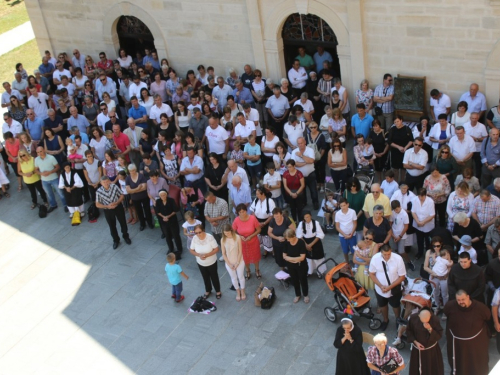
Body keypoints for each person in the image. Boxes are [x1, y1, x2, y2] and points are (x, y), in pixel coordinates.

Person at [444, 290, 490, 375]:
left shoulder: (480, 307)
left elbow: (487, 316)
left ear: (468, 297)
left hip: (475, 344)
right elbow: (447, 314)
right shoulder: (450, 306)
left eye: (463, 299)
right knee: (460, 361)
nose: (461, 302)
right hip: (457, 344)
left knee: (475, 361)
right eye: (458, 300)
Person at [369, 245, 406, 331]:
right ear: (381, 252)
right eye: (384, 254)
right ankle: (385, 320)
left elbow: (402, 277)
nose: (387, 256)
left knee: (396, 305)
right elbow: (371, 273)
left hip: (394, 288)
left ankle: (397, 320)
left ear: (391, 251)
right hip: (380, 289)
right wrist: (381, 286)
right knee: (382, 305)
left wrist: (389, 287)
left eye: (388, 254)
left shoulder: (398, 259)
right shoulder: (375, 258)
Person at [95, 176, 132, 249]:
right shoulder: (98, 191)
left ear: (109, 181)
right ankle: (116, 240)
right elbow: (97, 204)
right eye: (103, 182)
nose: (105, 183)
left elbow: (122, 195)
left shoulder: (114, 186)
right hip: (108, 210)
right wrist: (107, 206)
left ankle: (126, 236)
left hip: (118, 207)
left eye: (106, 181)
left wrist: (117, 202)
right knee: (112, 226)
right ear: (101, 183)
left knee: (123, 222)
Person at [406, 309, 444, 375]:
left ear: (430, 316)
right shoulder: (413, 318)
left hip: (431, 350)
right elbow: (409, 331)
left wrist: (430, 329)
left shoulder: (435, 320)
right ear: (419, 316)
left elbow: (439, 335)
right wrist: (415, 342)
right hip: (417, 350)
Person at [189, 224, 221, 299]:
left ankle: (218, 291)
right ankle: (208, 290)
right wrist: (198, 255)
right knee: (205, 277)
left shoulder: (209, 237)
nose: (198, 234)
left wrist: (207, 255)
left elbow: (216, 249)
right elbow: (191, 250)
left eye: (199, 232)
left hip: (211, 262)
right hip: (200, 262)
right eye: (196, 233)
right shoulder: (194, 238)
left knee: (214, 276)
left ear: (203, 230)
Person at [232, 203, 262, 280]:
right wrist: (240, 236)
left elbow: (259, 230)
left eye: (243, 211)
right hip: (242, 243)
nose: (242, 213)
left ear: (246, 211)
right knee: (245, 258)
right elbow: (233, 231)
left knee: (255, 257)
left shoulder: (252, 218)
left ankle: (257, 270)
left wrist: (250, 236)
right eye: (240, 212)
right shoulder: (236, 220)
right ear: (238, 213)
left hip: (253, 241)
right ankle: (248, 271)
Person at [34, 146, 67, 213]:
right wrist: (41, 173)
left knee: (60, 193)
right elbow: (36, 170)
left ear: (44, 150)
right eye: (38, 152)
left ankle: (66, 205)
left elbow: (57, 167)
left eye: (40, 151)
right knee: (49, 194)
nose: (39, 153)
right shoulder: (36, 159)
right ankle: (53, 205)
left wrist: (50, 172)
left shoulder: (51, 158)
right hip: (44, 180)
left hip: (54, 178)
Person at [296, 210, 326, 277]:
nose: (307, 219)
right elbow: (299, 235)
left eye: (308, 217)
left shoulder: (316, 223)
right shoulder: (301, 224)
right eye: (305, 217)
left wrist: (311, 244)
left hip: (315, 242)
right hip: (305, 242)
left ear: (311, 216)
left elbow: (320, 235)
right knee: (308, 259)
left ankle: (320, 272)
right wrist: (306, 245)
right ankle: (309, 271)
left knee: (318, 258)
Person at [283, 228, 309, 303]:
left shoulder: (300, 242)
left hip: (301, 266)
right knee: (295, 280)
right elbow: (284, 256)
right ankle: (297, 294)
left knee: (303, 280)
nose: (287, 240)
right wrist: (295, 259)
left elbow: (302, 257)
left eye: (289, 239)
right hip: (291, 266)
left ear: (293, 236)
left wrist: (290, 259)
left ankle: (305, 294)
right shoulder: (286, 243)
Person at [220, 224, 246, 301]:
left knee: (241, 277)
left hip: (239, 261)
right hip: (229, 262)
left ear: (231, 231)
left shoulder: (237, 237)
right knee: (233, 278)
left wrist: (237, 263)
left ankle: (243, 291)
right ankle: (238, 292)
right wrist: (229, 264)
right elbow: (223, 254)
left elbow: (240, 251)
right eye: (225, 233)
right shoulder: (223, 240)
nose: (227, 234)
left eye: (228, 233)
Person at [155, 189, 183, 258]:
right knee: (167, 236)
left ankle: (179, 249)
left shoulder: (171, 200)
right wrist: (164, 217)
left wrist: (168, 216)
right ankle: (171, 248)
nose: (163, 196)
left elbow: (175, 210)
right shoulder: (158, 201)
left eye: (164, 194)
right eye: (161, 195)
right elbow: (157, 211)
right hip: (163, 221)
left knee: (176, 235)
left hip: (172, 220)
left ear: (166, 194)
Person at [126, 164, 153, 231]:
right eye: (130, 171)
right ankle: (142, 224)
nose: (132, 172)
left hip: (144, 196)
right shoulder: (128, 178)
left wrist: (133, 191)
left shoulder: (141, 176)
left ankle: (149, 222)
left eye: (133, 170)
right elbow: (128, 190)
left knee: (147, 210)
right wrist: (138, 188)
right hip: (135, 198)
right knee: (139, 211)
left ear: (135, 170)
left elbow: (144, 188)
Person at [388, 115, 414, 183]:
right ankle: (395, 183)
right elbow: (389, 141)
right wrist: (398, 147)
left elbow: (411, 140)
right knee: (395, 169)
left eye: (398, 121)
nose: (397, 123)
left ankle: (402, 182)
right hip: (395, 152)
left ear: (401, 120)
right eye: (395, 122)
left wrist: (405, 148)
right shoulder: (392, 129)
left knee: (403, 168)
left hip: (405, 151)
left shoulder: (406, 128)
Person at [412, 188, 435, 260]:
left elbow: (432, 215)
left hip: (427, 225)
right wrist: (417, 221)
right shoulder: (415, 199)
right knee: (419, 239)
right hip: (418, 223)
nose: (420, 198)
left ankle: (428, 254)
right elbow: (413, 212)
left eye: (422, 196)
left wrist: (423, 222)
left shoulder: (430, 201)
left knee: (428, 241)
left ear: (425, 195)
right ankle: (420, 252)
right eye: (419, 196)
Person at [335, 198, 358, 263]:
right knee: (345, 251)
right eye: (341, 206)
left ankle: (355, 262)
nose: (343, 207)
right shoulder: (338, 214)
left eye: (344, 205)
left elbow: (355, 224)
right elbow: (337, 226)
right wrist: (344, 235)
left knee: (354, 250)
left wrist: (351, 234)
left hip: (352, 235)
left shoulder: (352, 212)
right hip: (342, 236)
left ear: (347, 204)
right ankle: (347, 262)